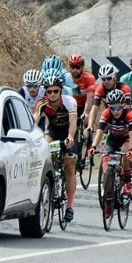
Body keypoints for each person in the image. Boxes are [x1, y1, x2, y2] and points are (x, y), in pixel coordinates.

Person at [35, 74, 80, 223]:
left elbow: (73, 123)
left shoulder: (69, 102)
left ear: (60, 91)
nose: (52, 94)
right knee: (46, 150)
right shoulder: (41, 104)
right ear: (45, 92)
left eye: (55, 91)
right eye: (49, 91)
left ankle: (70, 207)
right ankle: (51, 181)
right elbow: (34, 124)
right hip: (53, 131)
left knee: (69, 164)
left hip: (69, 132)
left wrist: (71, 137)